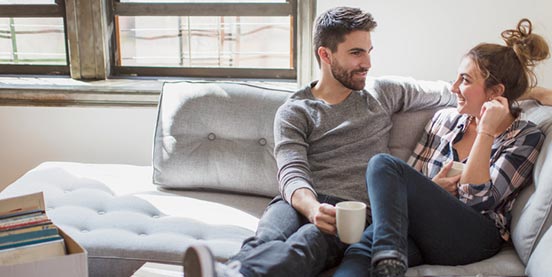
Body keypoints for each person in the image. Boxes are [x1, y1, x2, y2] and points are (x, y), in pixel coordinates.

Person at [182, 7, 549, 277]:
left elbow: (457, 92)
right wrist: (310, 207)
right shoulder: (294, 111)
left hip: (357, 211)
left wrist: (522, 93)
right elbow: (291, 171)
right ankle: (230, 273)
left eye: (369, 51)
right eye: (357, 53)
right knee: (272, 237)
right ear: (325, 56)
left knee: (315, 237)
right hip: (303, 200)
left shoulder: (383, 93)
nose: (368, 63)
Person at [333, 18, 550, 277]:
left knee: (382, 163)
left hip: (473, 237)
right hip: (425, 228)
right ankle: (388, 256)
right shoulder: (444, 119)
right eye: (457, 77)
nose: (454, 87)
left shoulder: (525, 136)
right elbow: (403, 187)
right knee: (359, 250)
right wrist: (433, 188)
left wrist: (486, 130)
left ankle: (388, 249)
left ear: (495, 92)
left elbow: (476, 200)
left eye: (466, 80)